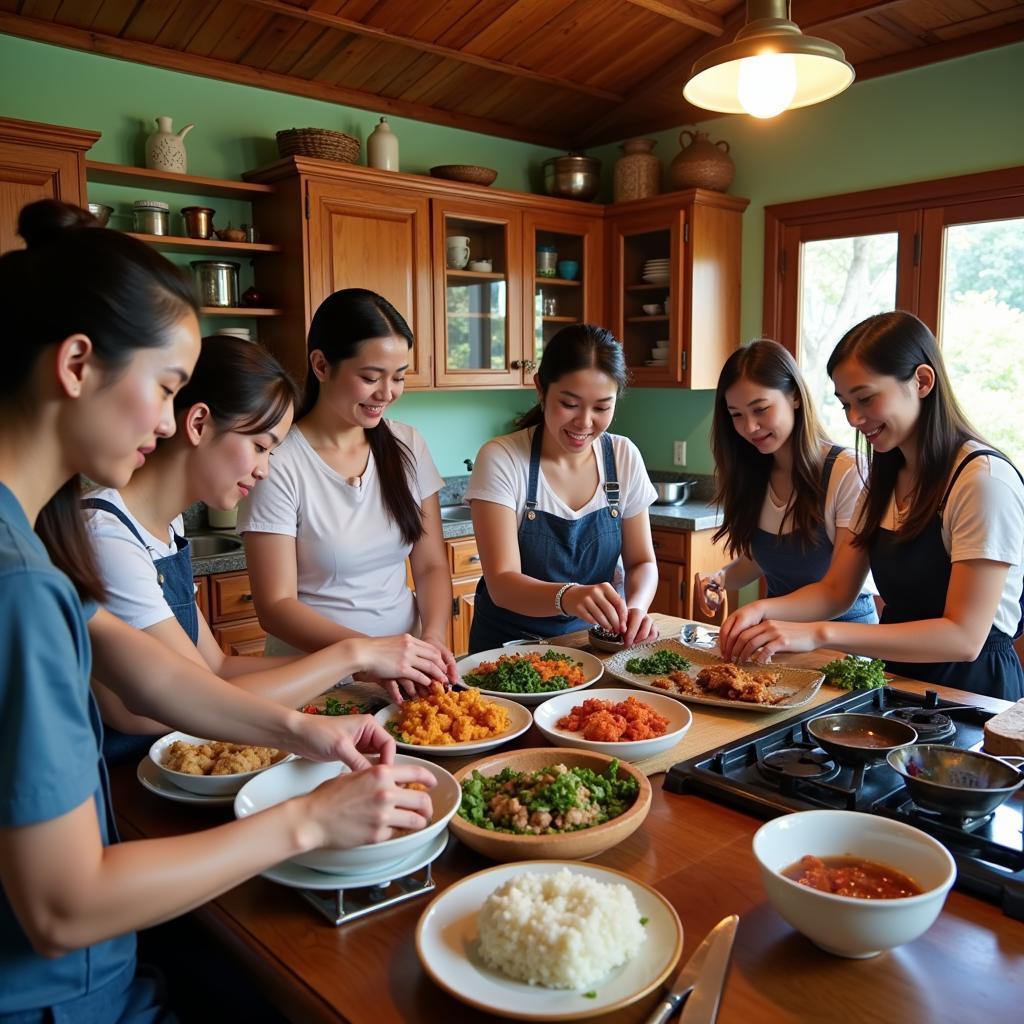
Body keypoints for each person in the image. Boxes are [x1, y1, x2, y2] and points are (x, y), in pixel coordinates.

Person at [0, 201, 434, 1022]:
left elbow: (161, 678)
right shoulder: (21, 578)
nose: (168, 422)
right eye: (165, 388)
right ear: (77, 364)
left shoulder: (31, 539)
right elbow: (62, 910)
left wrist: (309, 731)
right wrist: (308, 820)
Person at [82, 335, 451, 764]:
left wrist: (359, 667)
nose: (264, 470)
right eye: (259, 447)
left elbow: (216, 668)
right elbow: (172, 704)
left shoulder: (162, 524)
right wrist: (355, 652)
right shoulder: (107, 536)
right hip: (131, 771)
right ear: (198, 423)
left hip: (175, 758)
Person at [719, 311, 1024, 702]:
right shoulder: (888, 472)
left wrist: (818, 633)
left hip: (970, 690)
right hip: (898, 679)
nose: (854, 419)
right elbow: (835, 591)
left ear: (922, 381)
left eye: (865, 399)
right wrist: (762, 611)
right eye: (845, 404)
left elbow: (963, 637)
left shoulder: (981, 480)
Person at [239, 289, 458, 688]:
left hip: (404, 675)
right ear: (321, 365)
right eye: (370, 377)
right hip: (315, 681)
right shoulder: (277, 460)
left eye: (399, 377)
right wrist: (369, 655)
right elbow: (275, 605)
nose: (387, 393)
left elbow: (430, 565)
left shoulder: (408, 443)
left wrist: (433, 638)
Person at [465, 324, 660, 651]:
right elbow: (502, 583)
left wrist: (637, 608)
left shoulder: (623, 456)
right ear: (541, 388)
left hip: (590, 646)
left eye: (601, 407)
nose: (585, 422)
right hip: (506, 651)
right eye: (569, 404)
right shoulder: (502, 459)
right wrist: (568, 596)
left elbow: (642, 562)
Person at [696, 339, 877, 624]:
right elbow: (761, 559)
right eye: (737, 415)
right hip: (776, 636)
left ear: (794, 396)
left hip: (844, 643)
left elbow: (838, 593)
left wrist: (758, 610)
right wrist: (721, 578)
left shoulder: (847, 471)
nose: (750, 427)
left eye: (760, 409)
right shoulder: (753, 472)